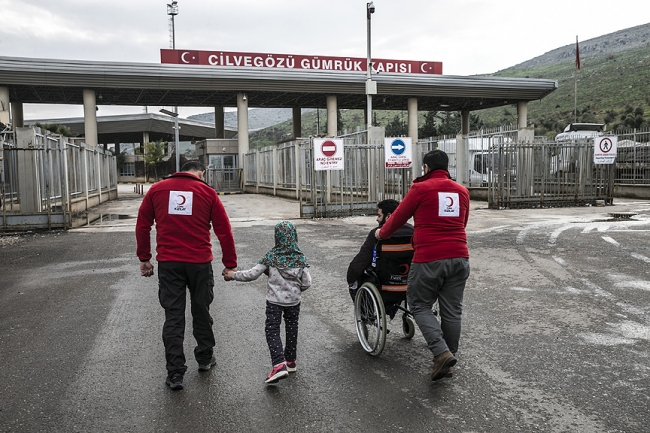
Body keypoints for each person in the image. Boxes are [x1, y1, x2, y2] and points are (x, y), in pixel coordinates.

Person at [136, 161, 237, 391]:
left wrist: (145, 257)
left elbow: (143, 225)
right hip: (200, 263)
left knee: (173, 317)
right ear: (201, 172)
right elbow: (224, 229)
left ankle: (175, 374)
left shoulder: (157, 190)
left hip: (169, 264)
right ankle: (204, 358)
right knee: (201, 310)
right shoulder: (207, 192)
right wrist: (230, 264)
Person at [376, 150, 470, 381]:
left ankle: (441, 352)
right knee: (452, 309)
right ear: (447, 168)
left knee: (419, 305)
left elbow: (397, 218)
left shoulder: (420, 189)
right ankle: (448, 357)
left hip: (429, 258)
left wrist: (381, 233)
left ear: (426, 168)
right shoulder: (462, 191)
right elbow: (462, 222)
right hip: (460, 256)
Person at [224, 220, 311, 385]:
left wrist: (232, 275)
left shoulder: (271, 257)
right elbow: (307, 282)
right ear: (294, 236)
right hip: (294, 302)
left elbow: (252, 274)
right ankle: (291, 361)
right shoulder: (300, 258)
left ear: (277, 237)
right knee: (292, 328)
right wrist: (296, 291)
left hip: (274, 303)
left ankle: (279, 364)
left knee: (272, 330)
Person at [346, 199, 414, 302]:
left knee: (356, 278)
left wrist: (350, 280)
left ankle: (365, 315)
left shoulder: (377, 234)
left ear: (389, 216)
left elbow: (360, 262)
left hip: (383, 289)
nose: (377, 219)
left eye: (379, 215)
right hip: (410, 287)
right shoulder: (413, 232)